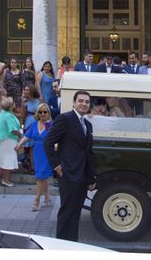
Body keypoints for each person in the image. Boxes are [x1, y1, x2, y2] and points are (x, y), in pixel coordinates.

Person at [44, 90, 96, 242]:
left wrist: (92, 176)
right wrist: (57, 166)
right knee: (67, 211)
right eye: (80, 101)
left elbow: (89, 152)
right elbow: (48, 142)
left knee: (76, 212)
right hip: (67, 174)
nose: (84, 104)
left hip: (82, 176)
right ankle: (61, 245)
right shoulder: (65, 118)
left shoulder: (87, 124)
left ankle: (72, 243)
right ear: (74, 103)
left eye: (86, 102)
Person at [16, 104, 53, 211]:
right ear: (37, 113)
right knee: (43, 176)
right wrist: (19, 144)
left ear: (48, 113)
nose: (43, 114)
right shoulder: (34, 124)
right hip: (37, 153)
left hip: (47, 153)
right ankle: (47, 196)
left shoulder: (51, 125)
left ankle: (36, 200)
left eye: (45, 112)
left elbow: (56, 138)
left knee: (40, 177)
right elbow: (27, 136)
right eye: (40, 112)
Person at [0, 96, 22, 187]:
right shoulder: (8, 116)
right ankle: (5, 180)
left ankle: (4, 179)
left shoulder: (4, 112)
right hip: (8, 140)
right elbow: (13, 130)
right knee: (8, 161)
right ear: (11, 106)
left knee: (5, 160)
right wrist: (21, 135)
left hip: (5, 139)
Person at [21, 84, 42, 173]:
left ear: (32, 91)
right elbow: (22, 115)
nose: (26, 91)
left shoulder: (39, 101)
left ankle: (38, 166)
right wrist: (22, 104)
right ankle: (32, 167)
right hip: (28, 124)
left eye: (27, 90)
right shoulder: (25, 102)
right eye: (25, 90)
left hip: (37, 124)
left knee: (38, 146)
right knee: (30, 147)